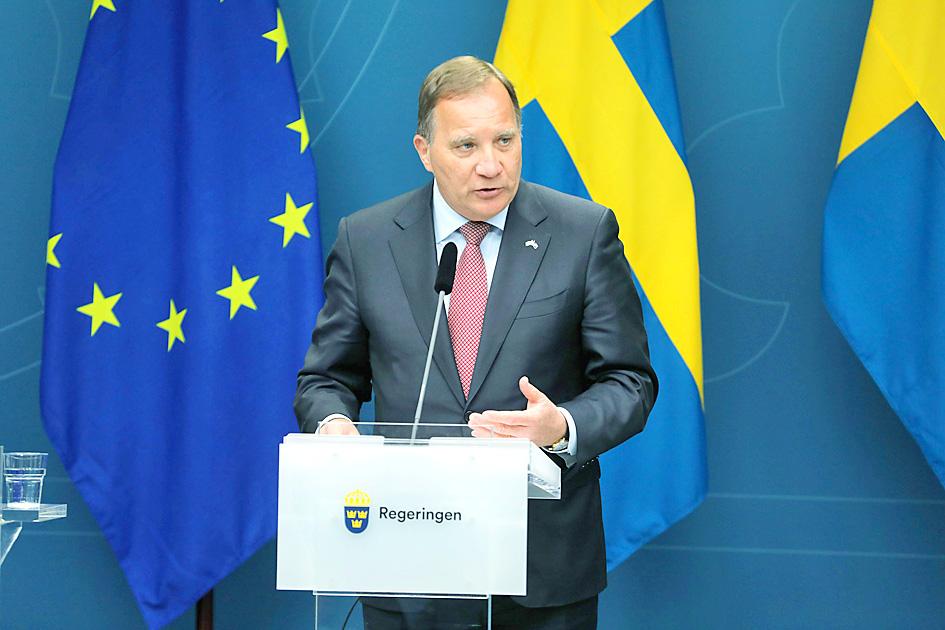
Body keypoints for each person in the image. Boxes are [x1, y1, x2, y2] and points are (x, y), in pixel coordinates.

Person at [295, 55, 657, 630]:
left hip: (541, 569)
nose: (491, 165)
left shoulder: (583, 232)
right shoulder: (366, 240)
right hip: (406, 556)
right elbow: (326, 378)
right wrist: (334, 427)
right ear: (425, 151)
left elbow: (630, 382)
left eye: (505, 141)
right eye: (466, 146)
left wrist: (561, 426)